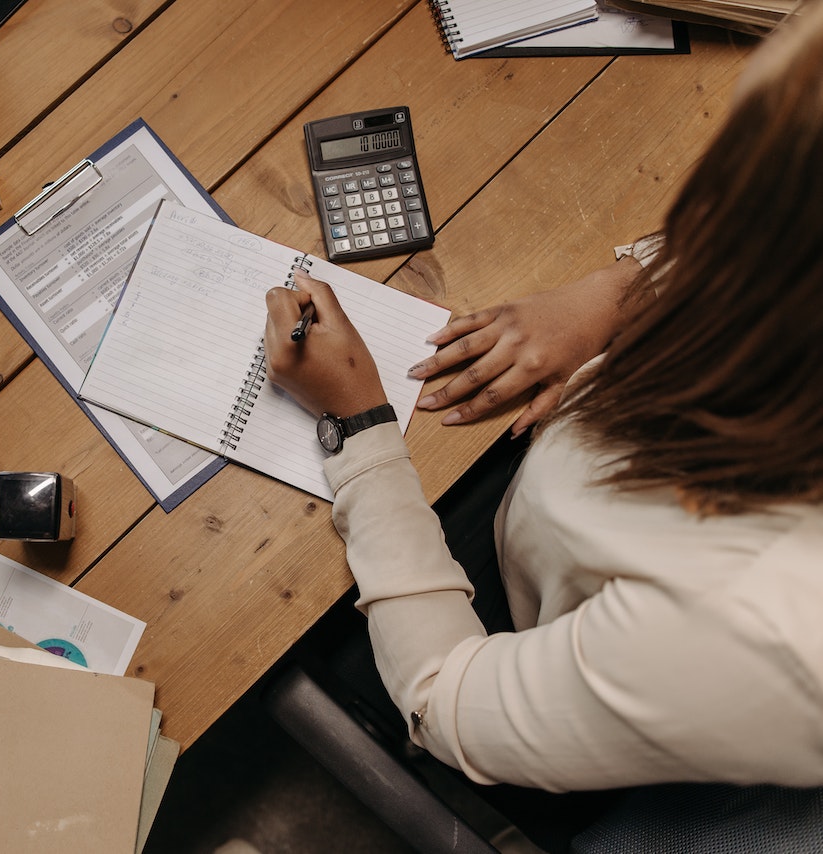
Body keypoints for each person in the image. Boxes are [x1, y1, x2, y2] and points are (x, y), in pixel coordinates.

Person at [263, 0, 823, 794]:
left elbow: (442, 702)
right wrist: (622, 294)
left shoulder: (755, 630)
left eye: (727, 179)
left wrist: (357, 429)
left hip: (530, 650)